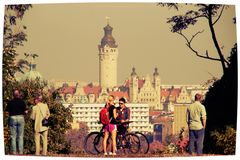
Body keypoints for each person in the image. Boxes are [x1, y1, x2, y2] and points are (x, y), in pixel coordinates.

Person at [6, 89, 28, 154]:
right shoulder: (22, 102)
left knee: (13, 136)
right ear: (18, 94)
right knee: (20, 136)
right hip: (21, 118)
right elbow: (26, 111)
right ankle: (20, 152)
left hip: (12, 118)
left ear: (13, 95)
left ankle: (14, 152)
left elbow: (6, 111)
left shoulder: (10, 102)